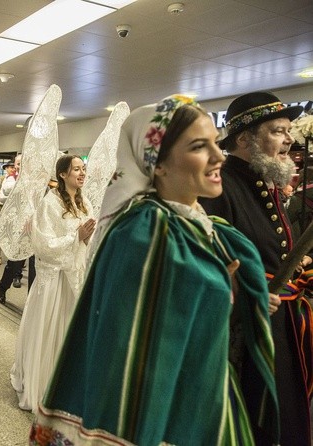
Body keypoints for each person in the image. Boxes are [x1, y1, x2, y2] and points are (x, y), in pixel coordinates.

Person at [31, 96, 279, 445]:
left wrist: (243, 295)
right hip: (165, 415)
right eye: (198, 146)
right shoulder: (144, 231)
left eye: (214, 142)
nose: (219, 155)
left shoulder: (206, 226)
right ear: (157, 164)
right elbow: (134, 357)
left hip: (209, 397)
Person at [199, 91, 311, 446]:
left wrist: (296, 263)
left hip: (279, 323)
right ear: (245, 138)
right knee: (254, 424)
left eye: (289, 130)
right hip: (244, 336)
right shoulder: (221, 186)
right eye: (278, 131)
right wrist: (246, 292)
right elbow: (209, 264)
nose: (289, 138)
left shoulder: (266, 181)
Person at [10, 154, 94, 412]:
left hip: (74, 278)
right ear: (62, 175)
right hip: (54, 280)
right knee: (48, 331)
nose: (81, 173)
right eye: (76, 169)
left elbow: (90, 238)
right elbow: (43, 245)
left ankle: (66, 386)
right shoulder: (50, 203)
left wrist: (87, 238)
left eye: (83, 169)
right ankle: (43, 385)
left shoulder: (85, 202)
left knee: (69, 332)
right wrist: (75, 236)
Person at [0, 155, 27, 303]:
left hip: (34, 226)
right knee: (14, 260)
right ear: (15, 166)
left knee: (32, 263)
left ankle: (30, 299)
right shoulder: (10, 180)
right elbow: (3, 197)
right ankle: (3, 287)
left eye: (24, 163)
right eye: (19, 164)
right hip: (17, 225)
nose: (21, 166)